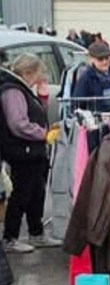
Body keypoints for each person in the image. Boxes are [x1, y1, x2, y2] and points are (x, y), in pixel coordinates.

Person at [0, 54, 60, 253]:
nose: (42, 76)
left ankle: (36, 233)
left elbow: (35, 114)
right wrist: (44, 134)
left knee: (37, 192)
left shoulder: (22, 90)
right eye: (39, 72)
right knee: (21, 194)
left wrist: (42, 97)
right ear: (28, 73)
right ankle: (10, 237)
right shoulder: (13, 91)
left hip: (31, 150)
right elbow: (18, 123)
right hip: (22, 151)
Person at [72, 42, 110, 112]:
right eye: (100, 59)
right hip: (95, 120)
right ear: (92, 59)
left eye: (107, 58)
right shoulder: (86, 78)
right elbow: (77, 104)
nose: (104, 62)